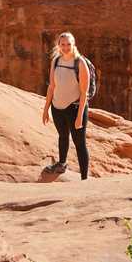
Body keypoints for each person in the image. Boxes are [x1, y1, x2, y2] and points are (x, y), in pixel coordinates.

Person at [42, 30, 90, 179]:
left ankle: (84, 178)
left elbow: (84, 93)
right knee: (63, 136)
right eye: (63, 44)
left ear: (73, 45)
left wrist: (80, 116)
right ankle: (61, 163)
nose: (66, 47)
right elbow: (51, 86)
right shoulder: (56, 60)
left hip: (74, 108)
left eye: (68, 44)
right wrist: (46, 109)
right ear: (58, 45)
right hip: (57, 108)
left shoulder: (80, 63)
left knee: (79, 144)